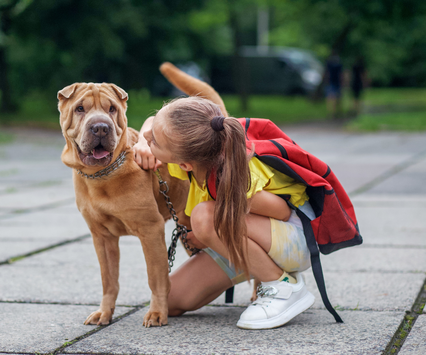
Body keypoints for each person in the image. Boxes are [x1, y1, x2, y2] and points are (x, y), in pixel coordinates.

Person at [132, 96, 316, 329]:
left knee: (204, 217)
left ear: (184, 164)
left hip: (296, 238)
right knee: (170, 300)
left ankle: (283, 286)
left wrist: (209, 229)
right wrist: (140, 140)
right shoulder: (197, 156)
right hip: (244, 238)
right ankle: (261, 267)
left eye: (154, 142)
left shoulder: (235, 172)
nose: (148, 140)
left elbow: (280, 212)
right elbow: (150, 122)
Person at [325, 51, 343, 118]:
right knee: (337, 98)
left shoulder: (328, 63)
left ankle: (331, 112)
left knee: (330, 98)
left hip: (330, 82)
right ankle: (336, 111)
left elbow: (327, 73)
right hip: (337, 82)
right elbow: (341, 74)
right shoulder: (339, 64)